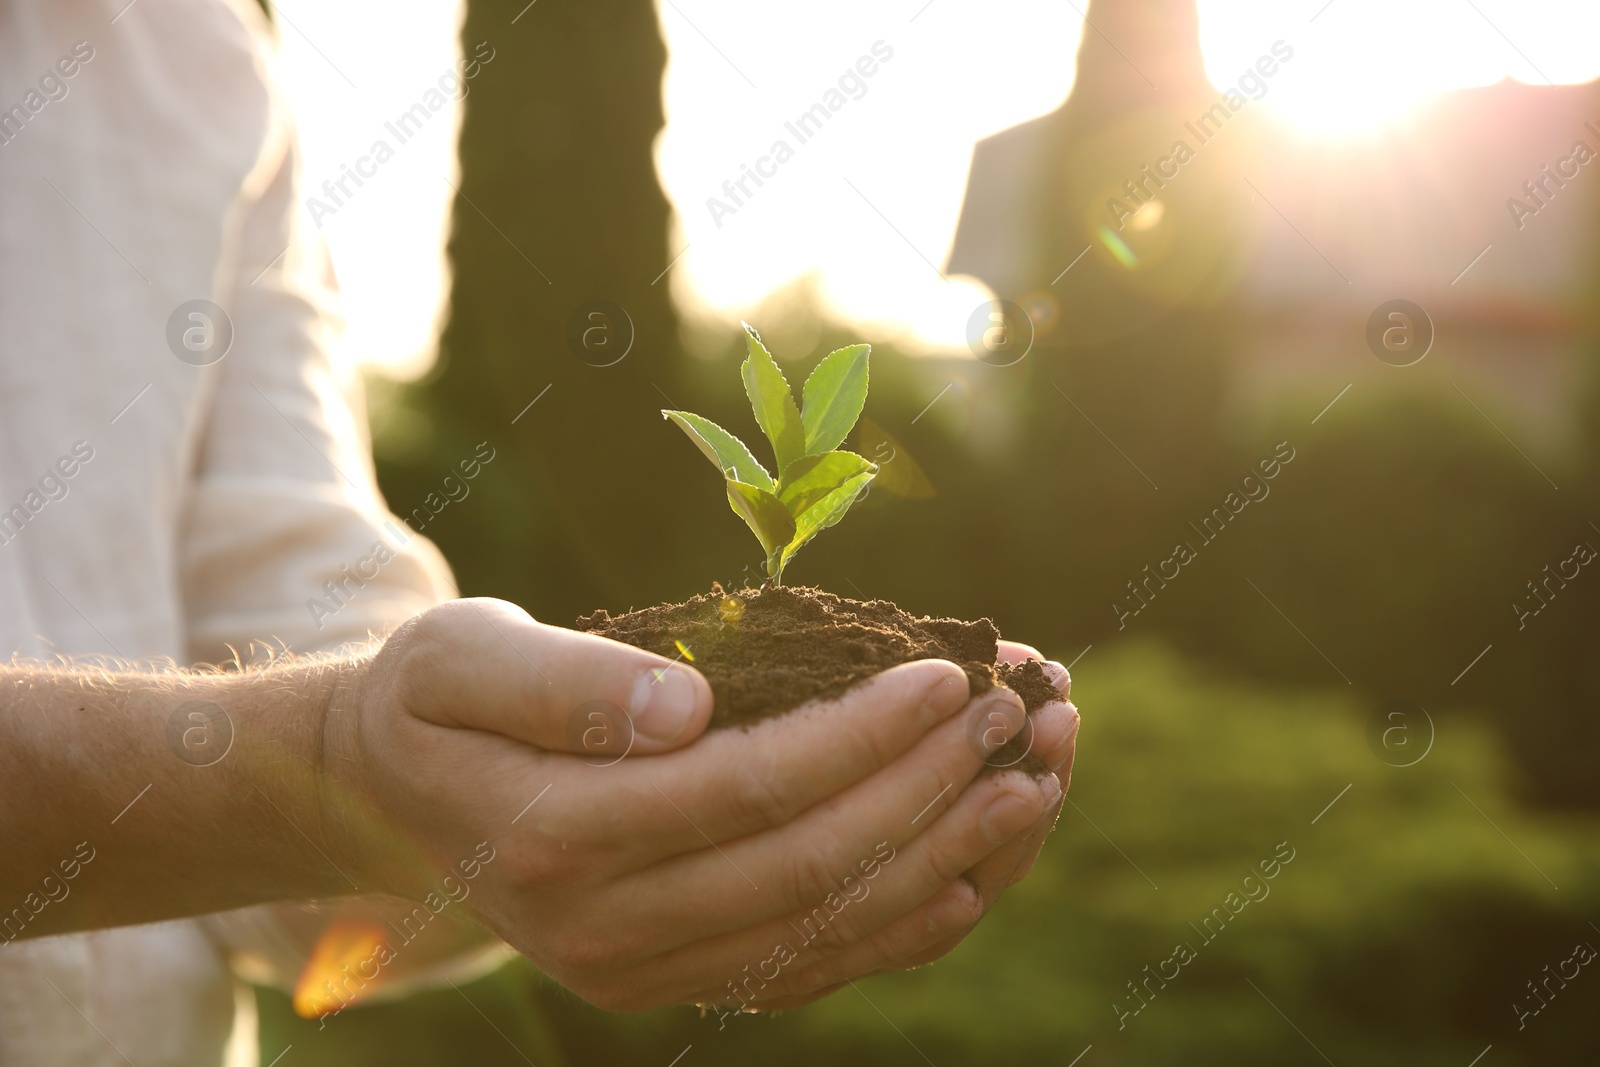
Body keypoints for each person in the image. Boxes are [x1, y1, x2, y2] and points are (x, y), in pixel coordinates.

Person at [0, 1, 1081, 1064]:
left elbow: (299, 650)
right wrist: (346, 754)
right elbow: (325, 737)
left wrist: (520, 820)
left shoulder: (197, 46)